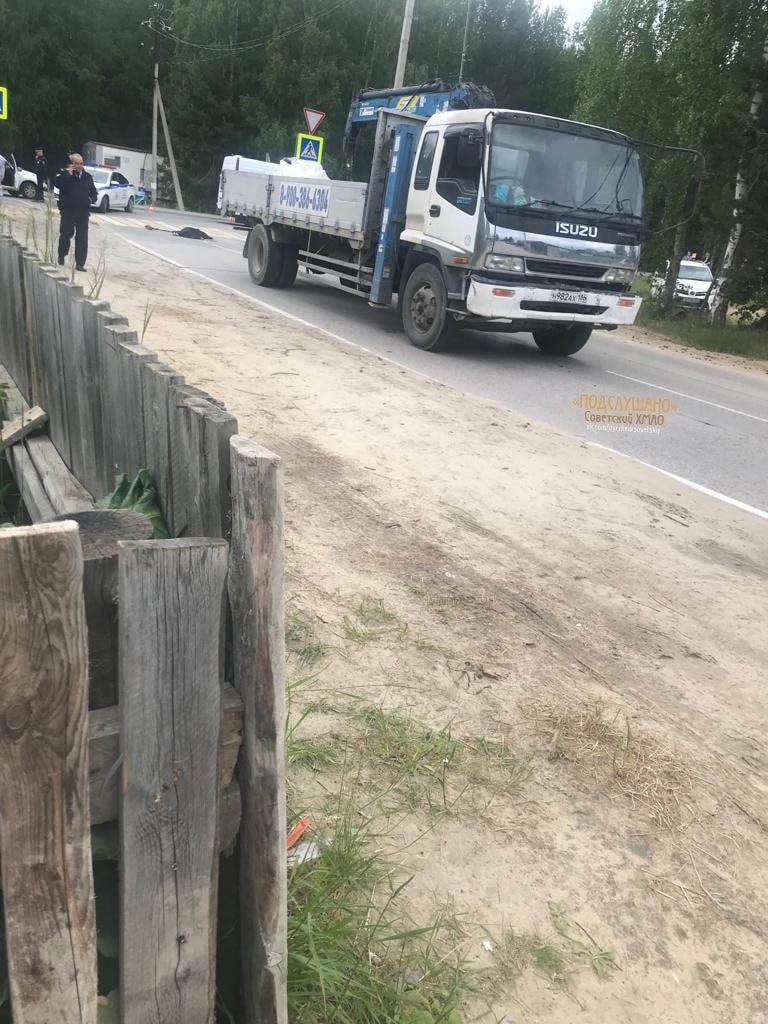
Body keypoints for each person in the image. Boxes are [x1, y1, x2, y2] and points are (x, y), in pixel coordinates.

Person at [53, 154, 97, 271]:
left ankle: (80, 263)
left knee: (82, 237)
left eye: (81, 163)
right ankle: (62, 255)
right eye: (76, 163)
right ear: (71, 164)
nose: (79, 166)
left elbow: (94, 192)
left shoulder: (87, 177)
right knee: (66, 234)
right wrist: (69, 175)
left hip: (83, 212)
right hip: (68, 210)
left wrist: (91, 199)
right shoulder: (64, 174)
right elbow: (57, 183)